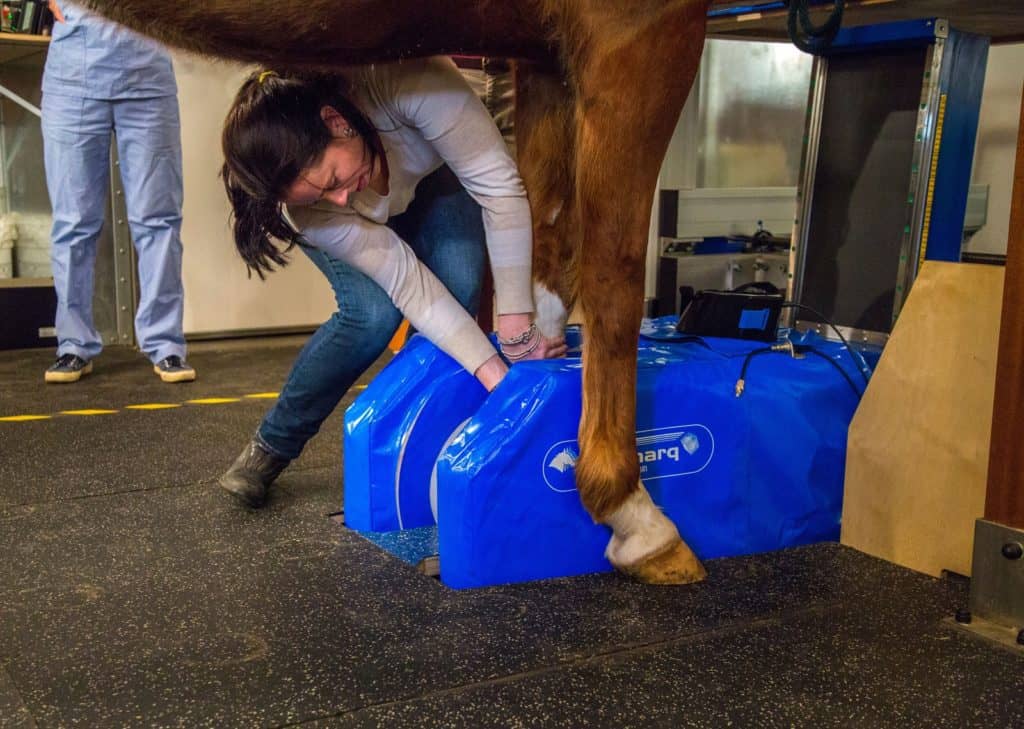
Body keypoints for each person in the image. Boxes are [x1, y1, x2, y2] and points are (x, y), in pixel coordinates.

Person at [217, 58, 566, 508]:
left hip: (430, 175)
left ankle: (421, 442)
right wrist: (498, 377)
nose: (341, 197)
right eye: (321, 194)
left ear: (336, 121)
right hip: (358, 225)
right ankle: (272, 446)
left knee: (458, 288)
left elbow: (499, 190)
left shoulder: (413, 82)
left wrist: (515, 335)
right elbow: (406, 284)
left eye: (333, 179)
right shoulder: (317, 207)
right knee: (371, 316)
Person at [40, 1, 195, 383]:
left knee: (157, 220)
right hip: (72, 75)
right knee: (73, 222)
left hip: (148, 77)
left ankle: (166, 345)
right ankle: (73, 345)